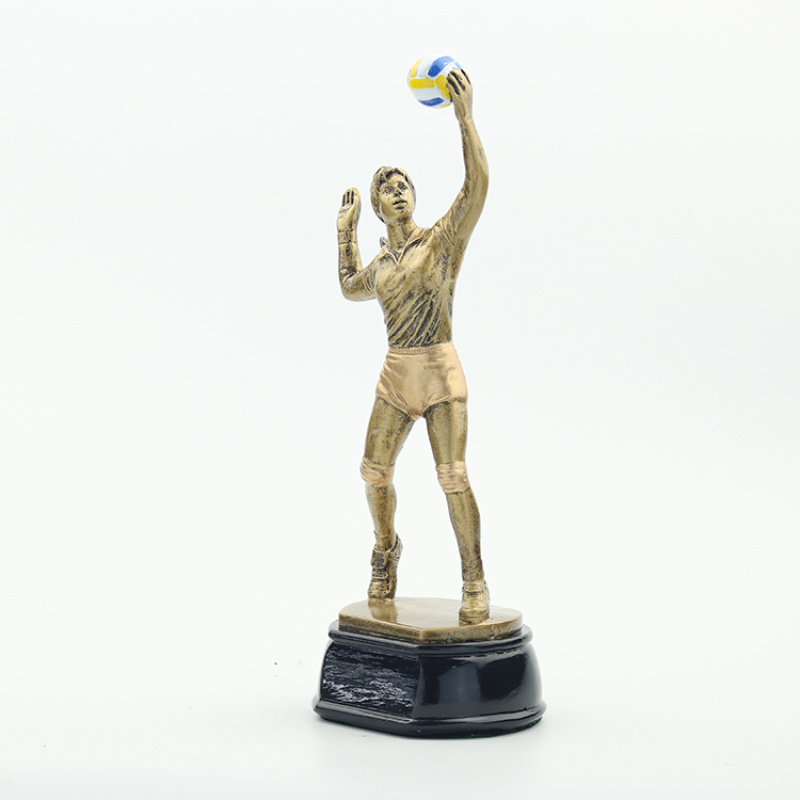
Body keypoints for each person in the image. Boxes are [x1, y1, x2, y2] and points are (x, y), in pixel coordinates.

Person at [336, 68, 490, 624]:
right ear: (379, 207)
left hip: (440, 370)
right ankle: (385, 549)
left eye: (404, 185)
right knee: (373, 471)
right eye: (388, 188)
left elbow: (476, 188)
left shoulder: (440, 242)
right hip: (398, 375)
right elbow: (349, 285)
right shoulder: (381, 266)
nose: (398, 191)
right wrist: (345, 231)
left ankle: (473, 578)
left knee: (453, 475)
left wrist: (464, 118)